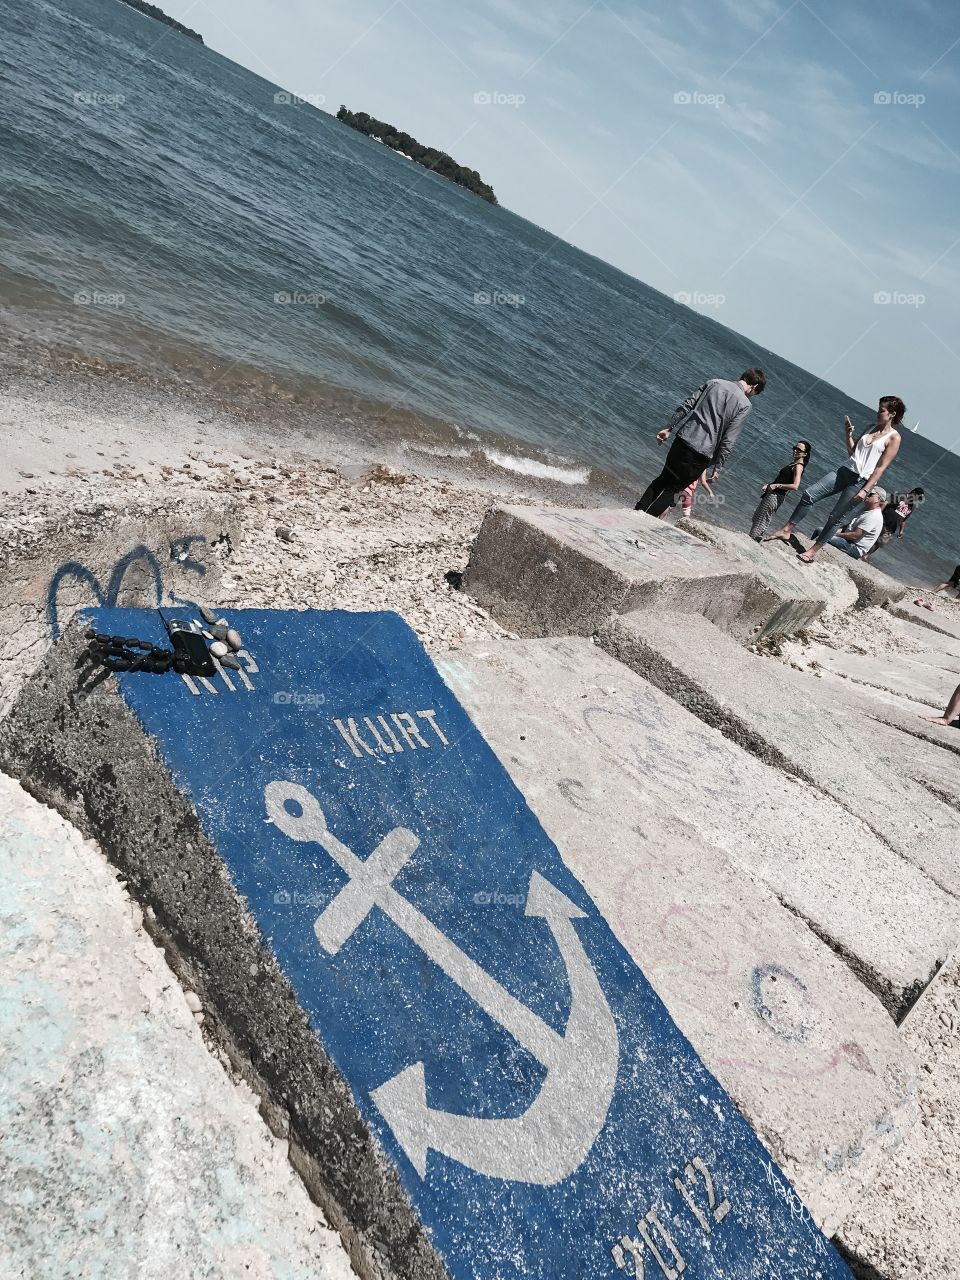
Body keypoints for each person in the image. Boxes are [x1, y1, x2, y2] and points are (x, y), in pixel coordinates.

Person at [765, 397, 904, 561]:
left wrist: (865, 490)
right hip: (844, 471)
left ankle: (812, 552)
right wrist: (848, 434)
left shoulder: (894, 438)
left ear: (892, 414)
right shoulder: (870, 427)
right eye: (878, 409)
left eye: (881, 410)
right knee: (809, 495)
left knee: (835, 518)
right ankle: (786, 531)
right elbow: (853, 453)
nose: (877, 413)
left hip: (860, 482)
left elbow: (880, 468)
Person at [636, 368, 766, 518]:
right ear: (755, 386)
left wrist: (668, 427)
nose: (752, 396)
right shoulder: (745, 405)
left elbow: (687, 405)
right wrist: (718, 466)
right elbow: (729, 440)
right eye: (755, 393)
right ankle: (645, 519)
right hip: (702, 453)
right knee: (673, 490)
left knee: (663, 478)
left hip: (683, 440)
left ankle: (636, 511)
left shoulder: (714, 382)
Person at [748, 441, 812, 540]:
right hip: (773, 494)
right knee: (758, 517)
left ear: (805, 453)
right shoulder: (794, 464)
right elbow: (782, 479)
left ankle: (752, 540)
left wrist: (777, 485)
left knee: (761, 520)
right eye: (794, 448)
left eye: (799, 450)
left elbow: (795, 486)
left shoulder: (798, 466)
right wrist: (770, 485)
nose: (795, 450)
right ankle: (755, 538)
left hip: (775, 497)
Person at [807, 488, 886, 560]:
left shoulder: (873, 516)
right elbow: (848, 526)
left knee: (826, 536)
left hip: (855, 548)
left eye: (871, 494)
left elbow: (855, 535)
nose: (867, 495)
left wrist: (834, 534)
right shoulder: (866, 509)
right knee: (820, 530)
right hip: (848, 541)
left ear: (878, 499)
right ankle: (810, 545)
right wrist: (833, 532)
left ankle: (812, 552)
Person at [865, 487, 924, 560]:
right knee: (869, 536)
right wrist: (878, 514)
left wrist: (901, 530)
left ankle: (866, 556)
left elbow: (904, 519)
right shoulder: (900, 496)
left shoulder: (912, 506)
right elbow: (886, 502)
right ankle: (861, 550)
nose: (917, 500)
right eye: (918, 497)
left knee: (881, 542)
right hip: (883, 521)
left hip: (892, 528)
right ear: (914, 493)